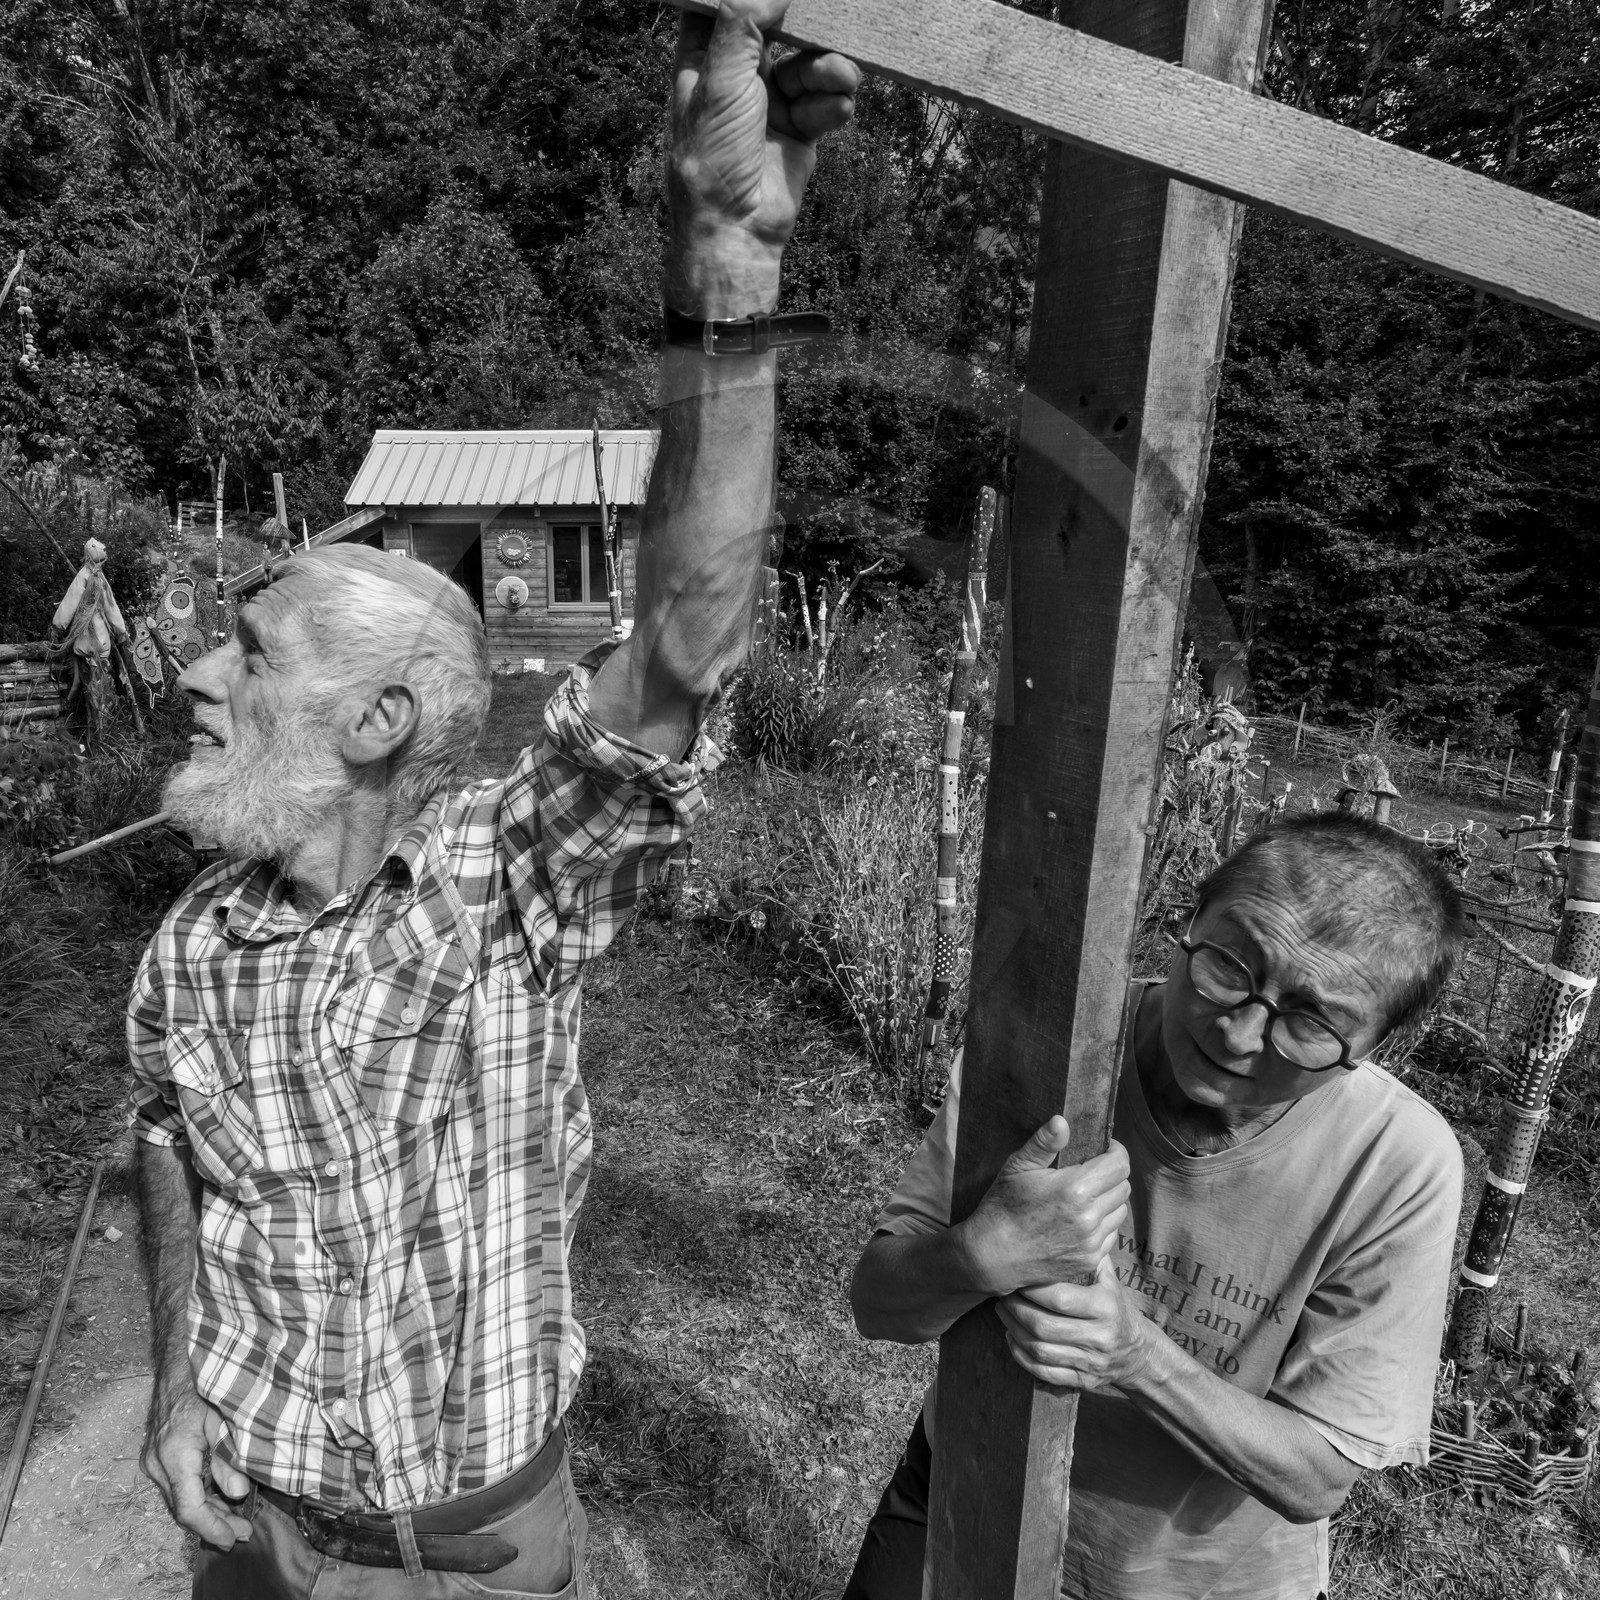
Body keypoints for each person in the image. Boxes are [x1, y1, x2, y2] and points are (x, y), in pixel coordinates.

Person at [127, 10, 857, 1596]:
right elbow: (171, 1148)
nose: (193, 672)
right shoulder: (191, 944)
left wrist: (728, 272)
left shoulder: (502, 886)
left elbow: (682, 649)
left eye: (249, 650)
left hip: (472, 1557)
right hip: (247, 1544)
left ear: (377, 721)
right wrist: (176, 1392)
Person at [845, 813, 1466, 1600]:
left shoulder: (1398, 1164)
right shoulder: (1046, 1053)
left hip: (1204, 1585)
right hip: (965, 1492)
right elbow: (878, 1304)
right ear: (1190, 921)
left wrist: (1132, 1355)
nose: (1240, 1033)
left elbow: (1316, 1479)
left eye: (1312, 1021)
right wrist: (976, 1253)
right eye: (1230, 965)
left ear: (1375, 1046)